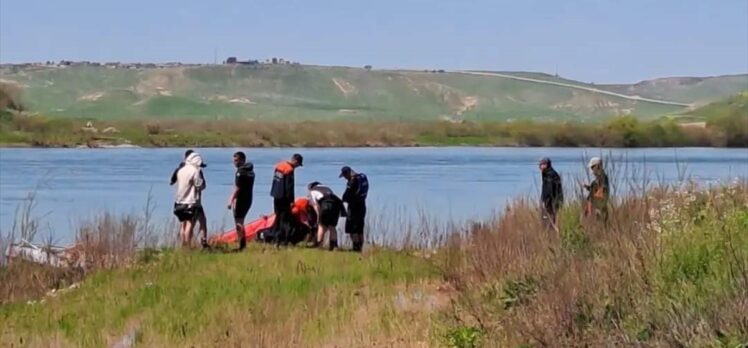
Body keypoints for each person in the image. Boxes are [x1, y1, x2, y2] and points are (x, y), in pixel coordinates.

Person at [173, 151, 209, 248]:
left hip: (179, 202)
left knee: (182, 225)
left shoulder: (181, 170)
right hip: (191, 202)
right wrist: (202, 184)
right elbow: (199, 186)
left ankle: (183, 245)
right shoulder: (195, 171)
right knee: (189, 224)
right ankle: (188, 246)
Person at [269, 153, 303, 246]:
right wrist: (291, 201)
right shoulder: (289, 169)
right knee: (285, 220)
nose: (297, 167)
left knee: (278, 217)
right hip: (284, 198)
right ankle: (283, 240)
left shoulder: (279, 165)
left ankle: (274, 238)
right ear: (295, 161)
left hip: (276, 195)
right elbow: (289, 187)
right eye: (298, 164)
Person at [226, 151, 254, 251]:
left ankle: (242, 245)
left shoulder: (240, 172)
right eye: (234, 160)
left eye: (236, 160)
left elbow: (237, 188)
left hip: (241, 199)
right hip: (248, 199)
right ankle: (242, 244)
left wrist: (231, 200)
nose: (235, 163)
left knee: (238, 222)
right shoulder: (250, 171)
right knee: (241, 221)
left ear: (242, 160)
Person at [308, 182, 346, 250]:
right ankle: (334, 246)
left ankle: (319, 245)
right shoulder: (327, 188)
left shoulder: (312, 191)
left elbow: (315, 206)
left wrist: (318, 216)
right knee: (332, 226)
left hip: (325, 205)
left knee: (321, 226)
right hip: (336, 206)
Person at [340, 166, 369, 252]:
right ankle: (360, 248)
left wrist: (342, 199)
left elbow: (346, 195)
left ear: (347, 173)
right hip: (362, 205)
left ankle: (355, 248)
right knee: (360, 228)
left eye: (345, 176)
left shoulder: (352, 181)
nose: (345, 178)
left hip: (354, 207)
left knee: (352, 228)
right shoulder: (361, 177)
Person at [539, 157, 563, 233]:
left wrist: (546, 202)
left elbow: (549, 190)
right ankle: (551, 234)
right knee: (549, 220)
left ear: (546, 165)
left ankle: (553, 234)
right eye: (540, 165)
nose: (540, 167)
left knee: (550, 220)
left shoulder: (550, 174)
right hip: (554, 201)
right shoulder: (547, 173)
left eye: (542, 164)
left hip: (552, 202)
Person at [583, 157, 610, 221]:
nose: (591, 170)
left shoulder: (602, 178)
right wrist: (589, 187)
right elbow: (598, 191)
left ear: (597, 167)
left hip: (597, 212)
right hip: (597, 211)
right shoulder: (601, 178)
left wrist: (592, 209)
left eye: (592, 168)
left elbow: (601, 195)